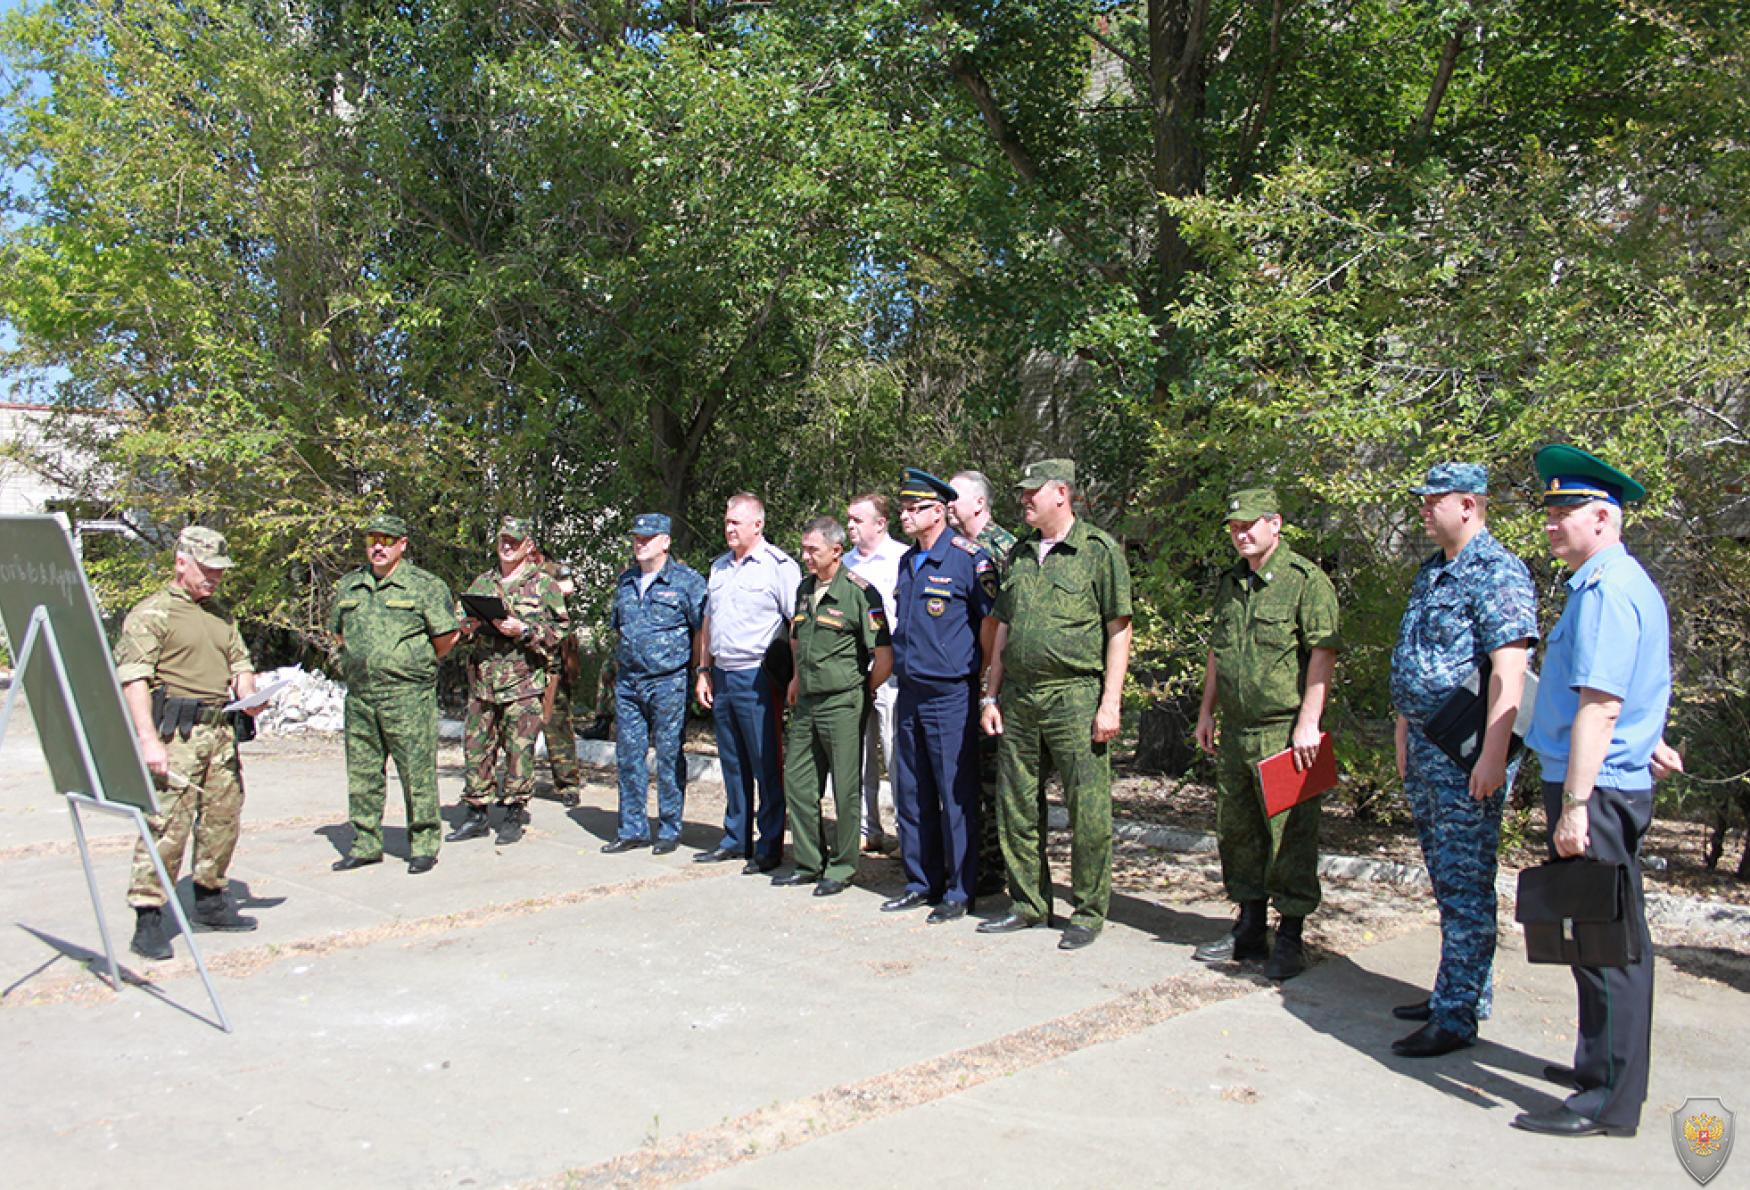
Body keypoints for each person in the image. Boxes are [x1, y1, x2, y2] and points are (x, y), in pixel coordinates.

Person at [1511, 444, 1682, 1139]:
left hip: (1597, 790)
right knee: (1592, 938)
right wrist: (1650, 739)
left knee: (1607, 944)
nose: (1551, 524)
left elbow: (1601, 703)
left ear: (1604, 518)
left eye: (1564, 511)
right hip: (1603, 776)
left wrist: (1577, 805)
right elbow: (1636, 685)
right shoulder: (1604, 583)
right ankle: (1596, 1066)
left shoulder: (1610, 590)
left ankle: (1607, 1100)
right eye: (1549, 511)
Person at [1387, 464, 1537, 1055]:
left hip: (1466, 750)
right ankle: (1460, 990)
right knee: (1445, 876)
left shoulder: (1496, 571)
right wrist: (1403, 725)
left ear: (1468, 505)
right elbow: (1417, 653)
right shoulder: (1434, 571)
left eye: (1434, 500)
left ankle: (1457, 1015)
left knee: (1467, 879)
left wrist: (1493, 756)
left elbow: (1510, 669)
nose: (1424, 509)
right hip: (1426, 742)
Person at [978, 460, 1132, 950]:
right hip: (1020, 698)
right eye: (1021, 493)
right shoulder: (1020, 555)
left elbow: (1118, 631)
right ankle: (1028, 903)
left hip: (1075, 695)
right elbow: (1003, 628)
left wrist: (1110, 703)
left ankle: (1087, 911)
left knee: (1088, 808)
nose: (1023, 501)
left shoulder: (1098, 551)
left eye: (1031, 493)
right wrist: (990, 694)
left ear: (1060, 493)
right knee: (1017, 805)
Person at [1192, 487, 1340, 981]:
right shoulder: (1231, 583)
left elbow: (1322, 654)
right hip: (1236, 730)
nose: (1242, 534)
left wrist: (1308, 724)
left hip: (1285, 732)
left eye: (1251, 525)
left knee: (1290, 837)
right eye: (1235, 527)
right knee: (1238, 833)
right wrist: (1206, 711)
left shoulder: (1305, 582)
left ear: (1275, 524)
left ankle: (1291, 936)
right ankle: (1250, 927)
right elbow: (1219, 650)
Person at [116, 526, 266, 961]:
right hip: (175, 734)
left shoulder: (222, 616)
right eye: (208, 569)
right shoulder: (151, 614)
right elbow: (134, 679)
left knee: (223, 816)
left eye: (220, 570)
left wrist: (251, 696)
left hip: (220, 731)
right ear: (182, 562)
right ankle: (148, 915)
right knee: (167, 825)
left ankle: (210, 898)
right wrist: (147, 740)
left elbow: (240, 666)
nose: (215, 577)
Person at [885, 468, 998, 924]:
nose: (906, 516)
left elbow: (989, 626)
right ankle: (920, 881)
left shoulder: (970, 559)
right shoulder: (906, 561)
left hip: (951, 692)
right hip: (910, 689)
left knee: (956, 794)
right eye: (903, 509)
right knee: (912, 791)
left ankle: (959, 888)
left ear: (939, 512)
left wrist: (985, 682)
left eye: (915, 509)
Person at [329, 513, 459, 875]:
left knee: (416, 772)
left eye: (387, 540)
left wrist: (411, 664)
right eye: (373, 540)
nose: (379, 547)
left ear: (402, 544)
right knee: (363, 773)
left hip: (407, 694)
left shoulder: (424, 586)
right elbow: (339, 634)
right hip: (360, 695)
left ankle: (423, 844)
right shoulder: (349, 586)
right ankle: (366, 842)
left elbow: (446, 637)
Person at [777, 517, 893, 894]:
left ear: (836, 551)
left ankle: (841, 868)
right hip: (807, 701)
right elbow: (799, 639)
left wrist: (861, 690)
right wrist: (796, 678)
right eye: (805, 549)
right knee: (798, 781)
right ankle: (809, 862)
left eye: (814, 550)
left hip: (843, 702)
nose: (806, 557)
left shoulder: (860, 593)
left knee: (846, 788)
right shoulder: (803, 589)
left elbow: (884, 656)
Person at [694, 494, 801, 873]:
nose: (729, 528)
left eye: (736, 522)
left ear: (758, 524)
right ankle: (735, 838)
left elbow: (797, 625)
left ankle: (769, 845)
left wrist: (794, 677)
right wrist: (703, 670)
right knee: (733, 762)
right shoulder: (719, 568)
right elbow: (709, 622)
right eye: (727, 521)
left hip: (759, 676)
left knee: (765, 762)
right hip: (722, 673)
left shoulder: (779, 567)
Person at [448, 516, 567, 845]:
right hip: (484, 681)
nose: (507, 546)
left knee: (519, 750)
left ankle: (514, 811)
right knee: (476, 748)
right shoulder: (482, 584)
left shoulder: (544, 585)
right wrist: (468, 628)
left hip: (523, 683)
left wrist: (525, 630)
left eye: (515, 541)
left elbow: (560, 630)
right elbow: (460, 621)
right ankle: (476, 812)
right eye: (504, 539)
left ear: (528, 545)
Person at [601, 514, 707, 855]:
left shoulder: (687, 582)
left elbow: (701, 630)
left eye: (648, 537)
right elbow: (620, 627)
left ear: (665, 541)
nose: (640, 543)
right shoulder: (627, 581)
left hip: (668, 681)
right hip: (630, 682)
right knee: (629, 755)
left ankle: (669, 829)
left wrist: (700, 672)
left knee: (668, 755)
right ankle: (632, 828)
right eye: (636, 537)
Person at [949, 468, 1021, 898]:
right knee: (970, 774)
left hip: (993, 681)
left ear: (979, 503)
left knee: (994, 779)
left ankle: (997, 866)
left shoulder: (1001, 549)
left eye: (954, 496)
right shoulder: (958, 548)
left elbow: (1002, 623)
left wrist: (990, 686)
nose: (948, 504)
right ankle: (979, 860)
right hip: (964, 677)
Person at [843, 492, 907, 854]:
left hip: (892, 671)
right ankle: (869, 828)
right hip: (853, 670)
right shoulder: (845, 563)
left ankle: (904, 832)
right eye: (849, 520)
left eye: (858, 520)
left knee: (896, 751)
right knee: (859, 753)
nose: (850, 526)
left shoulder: (902, 559)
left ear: (880, 524)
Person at [541, 556, 584, 808]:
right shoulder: (509, 575)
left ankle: (568, 783)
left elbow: (568, 589)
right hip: (520, 666)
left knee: (558, 726)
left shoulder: (551, 570)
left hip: (553, 663)